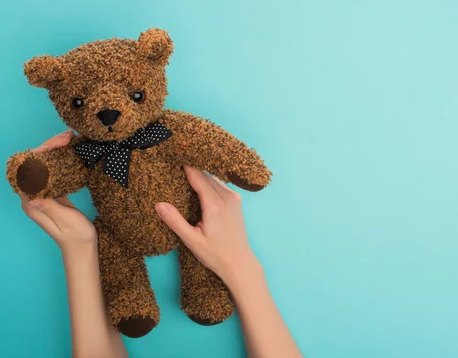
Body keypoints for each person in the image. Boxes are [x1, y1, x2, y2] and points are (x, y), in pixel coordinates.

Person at [18, 130, 302, 358]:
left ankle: (202, 296)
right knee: (119, 261)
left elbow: (205, 139)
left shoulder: (164, 131)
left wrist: (79, 249)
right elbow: (62, 167)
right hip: (120, 232)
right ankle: (133, 308)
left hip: (186, 221)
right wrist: (242, 267)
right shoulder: (89, 150)